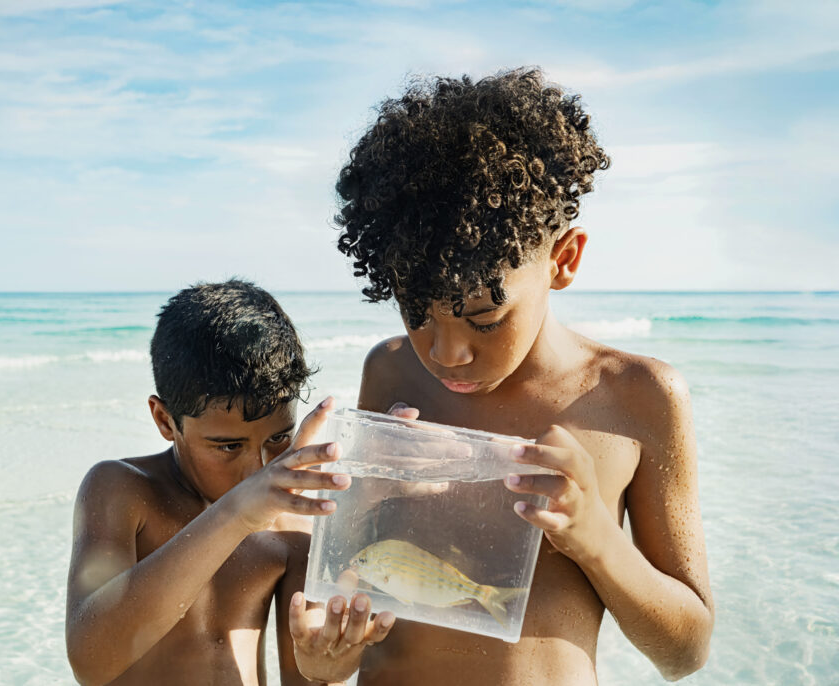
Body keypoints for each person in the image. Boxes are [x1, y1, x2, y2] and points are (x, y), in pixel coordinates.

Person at [289, 69, 714, 684]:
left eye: (484, 318)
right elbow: (355, 575)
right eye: (416, 313)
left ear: (562, 259)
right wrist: (326, 658)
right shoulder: (390, 371)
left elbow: (685, 652)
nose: (446, 352)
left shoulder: (635, 397)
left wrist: (595, 535)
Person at [65, 279, 392, 686]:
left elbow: (305, 676)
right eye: (227, 446)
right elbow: (90, 662)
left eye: (278, 438)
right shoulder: (122, 490)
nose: (257, 468)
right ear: (165, 420)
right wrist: (237, 514)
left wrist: (328, 665)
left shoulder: (292, 529)